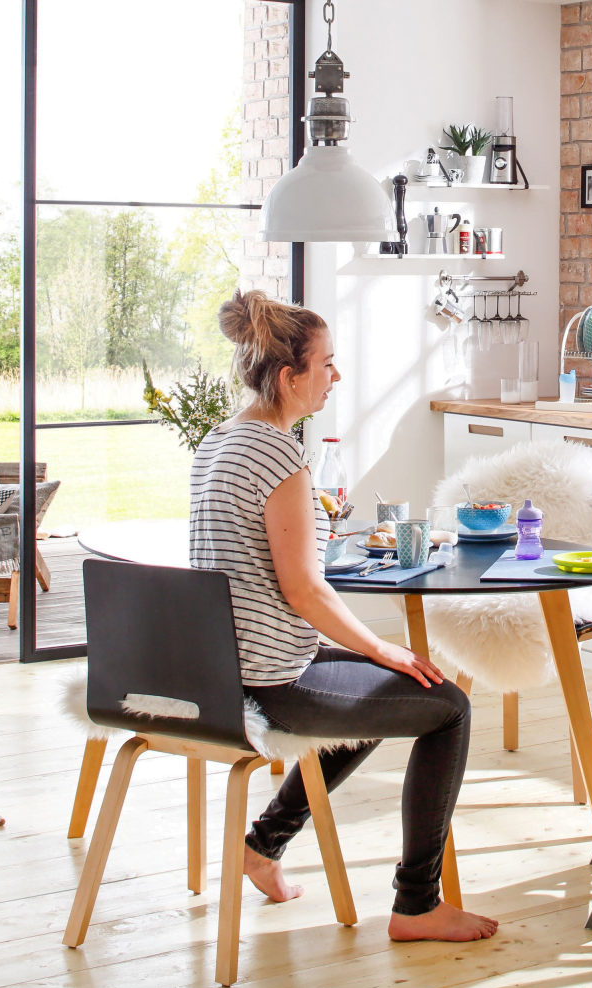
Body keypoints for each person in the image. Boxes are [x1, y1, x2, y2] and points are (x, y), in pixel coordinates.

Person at [190, 289, 497, 942]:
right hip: (270, 683)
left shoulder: (218, 443)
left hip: (221, 673)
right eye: (327, 364)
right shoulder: (281, 455)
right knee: (447, 706)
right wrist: (382, 650)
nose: (337, 377)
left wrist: (372, 655)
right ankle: (417, 904)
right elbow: (304, 590)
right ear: (288, 377)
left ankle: (263, 845)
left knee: (388, 694)